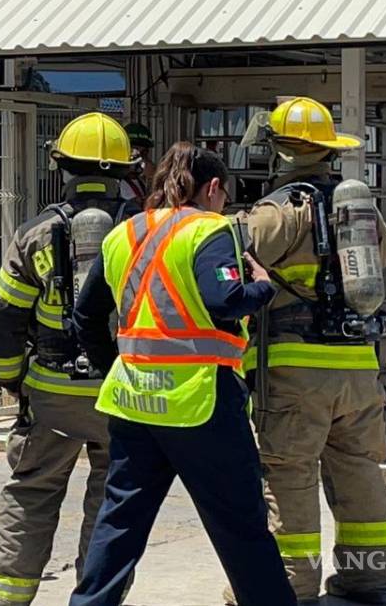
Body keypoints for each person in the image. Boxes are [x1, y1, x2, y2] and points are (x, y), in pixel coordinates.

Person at [69, 145, 295, 606]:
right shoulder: (210, 229)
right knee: (241, 526)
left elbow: (86, 316)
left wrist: (116, 361)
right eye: (224, 196)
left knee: (120, 523)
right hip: (202, 403)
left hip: (135, 403)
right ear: (213, 189)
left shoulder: (123, 234)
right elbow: (225, 301)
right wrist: (263, 287)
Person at [241, 97, 386, 604]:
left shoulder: (279, 210)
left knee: (289, 474)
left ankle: (291, 582)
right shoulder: (355, 204)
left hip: (294, 369)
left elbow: (232, 262)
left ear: (278, 149)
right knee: (359, 471)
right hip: (357, 365)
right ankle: (369, 575)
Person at [0, 112, 140, 606]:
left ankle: (10, 597)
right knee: (111, 502)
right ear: (122, 171)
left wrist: (14, 381)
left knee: (31, 492)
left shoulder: (34, 233)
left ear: (63, 167)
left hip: (51, 394)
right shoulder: (141, 233)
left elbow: (7, 316)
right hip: (120, 392)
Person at [121, 121, 154, 205]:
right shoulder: (117, 184)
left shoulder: (140, 181)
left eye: (144, 153)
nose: (142, 159)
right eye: (133, 150)